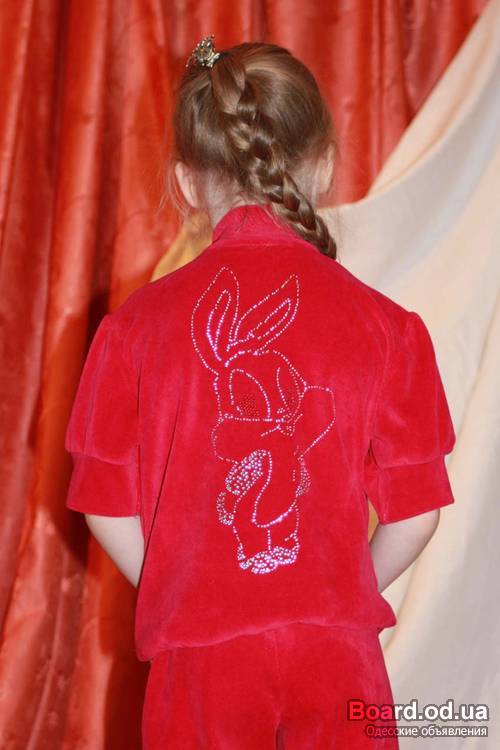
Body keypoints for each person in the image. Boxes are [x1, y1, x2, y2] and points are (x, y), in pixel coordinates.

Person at [64, 37, 457, 749]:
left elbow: (103, 505)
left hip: (201, 663)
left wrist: (180, 590)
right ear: (324, 165)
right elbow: (418, 516)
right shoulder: (389, 328)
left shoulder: (132, 330)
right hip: (337, 658)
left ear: (187, 182)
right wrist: (342, 594)